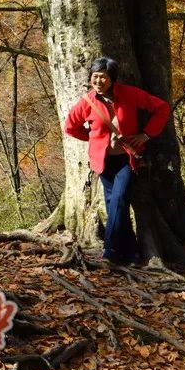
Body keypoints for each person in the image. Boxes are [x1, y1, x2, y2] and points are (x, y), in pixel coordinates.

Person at [64, 57, 170, 265]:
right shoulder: (87, 102)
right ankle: (131, 252)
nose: (98, 81)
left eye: (103, 77)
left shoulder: (130, 94)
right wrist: (93, 138)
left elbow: (162, 108)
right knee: (115, 204)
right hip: (102, 162)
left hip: (126, 159)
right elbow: (70, 127)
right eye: (95, 77)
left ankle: (110, 250)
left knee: (119, 200)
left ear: (112, 78)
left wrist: (146, 135)